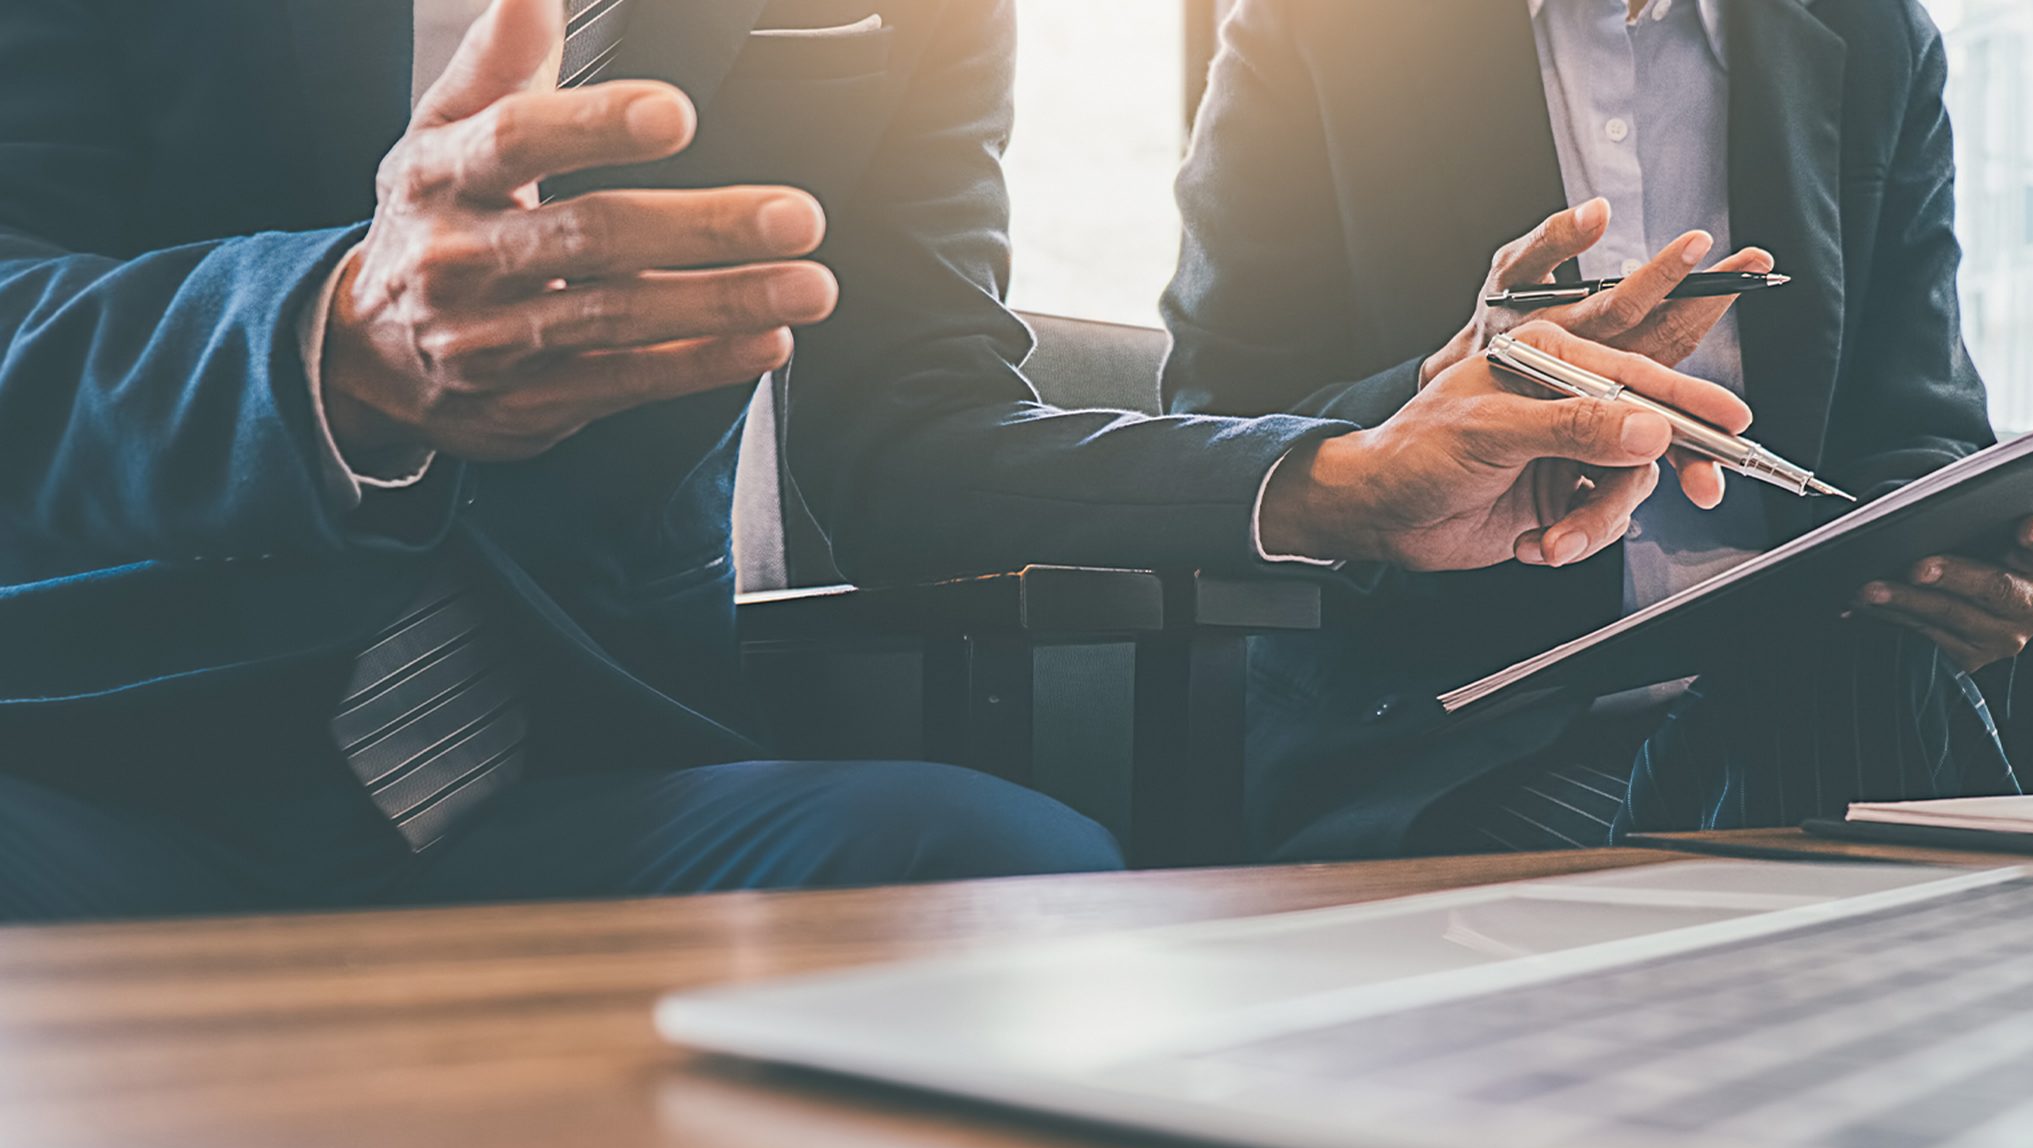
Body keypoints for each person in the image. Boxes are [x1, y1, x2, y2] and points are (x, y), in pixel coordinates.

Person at [0, 0, 1729, 921]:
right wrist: (332, 343)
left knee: (1006, 878)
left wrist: (1335, 474)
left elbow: (914, 420)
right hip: (99, 753)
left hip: (568, 768)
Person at [1161, 0, 2033, 859]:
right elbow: (1219, 423)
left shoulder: (1872, 32)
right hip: (1458, 743)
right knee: (1896, 816)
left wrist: (1963, 566)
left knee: (1848, 686)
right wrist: (1442, 389)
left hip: (1813, 687)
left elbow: (1920, 425)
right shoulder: (1318, 28)